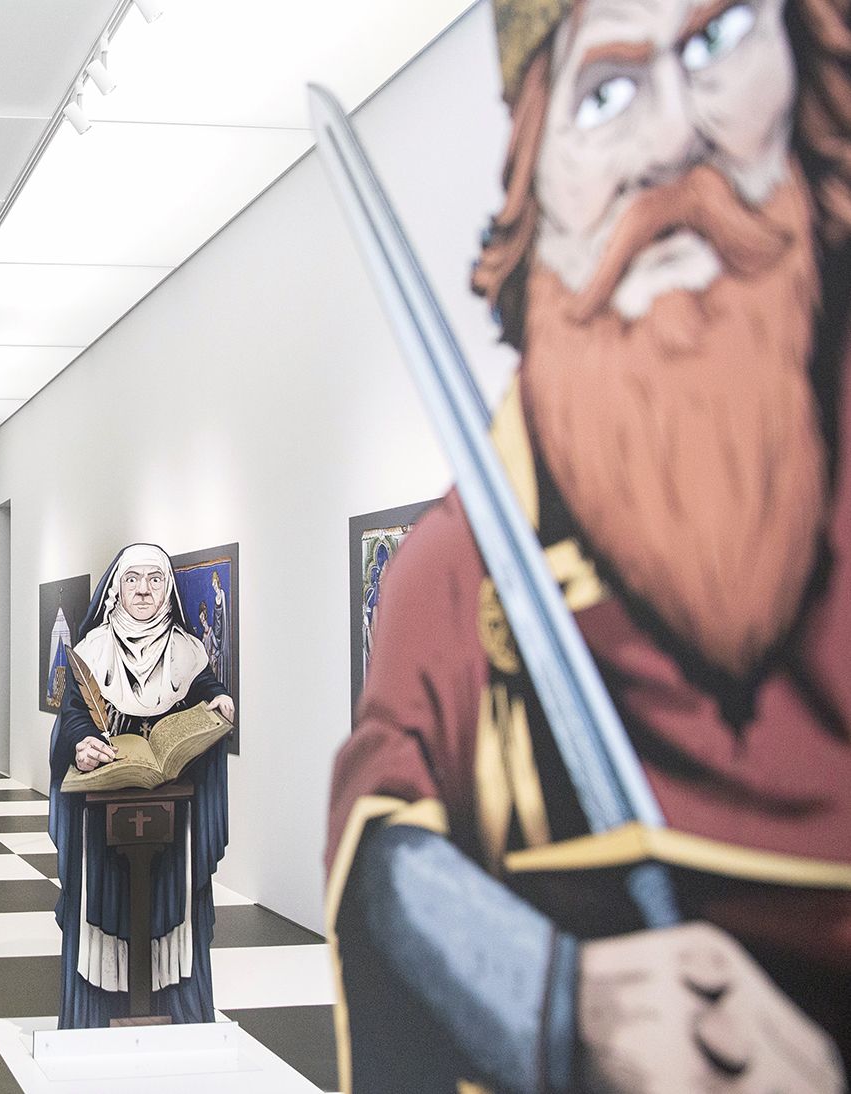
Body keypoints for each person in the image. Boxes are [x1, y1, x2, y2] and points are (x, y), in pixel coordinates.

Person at [326, 0, 851, 1089]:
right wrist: (551, 994)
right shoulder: (458, 565)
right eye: (606, 89)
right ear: (535, 182)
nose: (672, 137)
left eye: (715, 41)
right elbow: (386, 825)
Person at [48, 544, 236, 1027]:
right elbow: (72, 716)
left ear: (167, 588)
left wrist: (219, 701)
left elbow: (205, 687)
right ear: (116, 588)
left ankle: (170, 1005)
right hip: (104, 807)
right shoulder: (92, 650)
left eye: (155, 579)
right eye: (134, 580)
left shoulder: (188, 650)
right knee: (107, 899)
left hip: (173, 812)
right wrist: (81, 743)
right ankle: (102, 1009)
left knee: (169, 903)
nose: (145, 590)